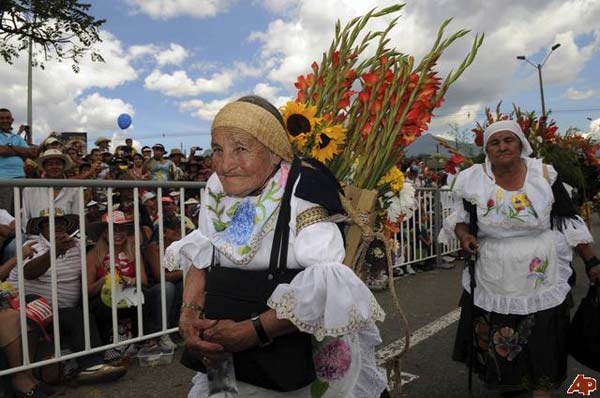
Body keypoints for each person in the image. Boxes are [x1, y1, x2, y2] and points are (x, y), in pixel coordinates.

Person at [166, 96, 387, 397]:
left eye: (241, 149)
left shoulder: (304, 191)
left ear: (274, 152)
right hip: (223, 359)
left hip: (289, 365)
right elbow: (203, 254)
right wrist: (189, 314)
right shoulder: (216, 191)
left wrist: (253, 331)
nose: (226, 165)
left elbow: (326, 284)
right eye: (218, 149)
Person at [438, 120, 600, 398]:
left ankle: (541, 389)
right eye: (495, 142)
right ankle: (511, 387)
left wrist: (591, 262)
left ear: (521, 143)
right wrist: (465, 236)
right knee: (504, 345)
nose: (502, 147)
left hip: (542, 271)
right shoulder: (472, 179)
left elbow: (567, 221)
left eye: (508, 140)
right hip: (495, 272)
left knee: (544, 341)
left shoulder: (544, 175)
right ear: (487, 149)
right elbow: (460, 220)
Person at [7, 209, 127, 384]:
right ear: (41, 228)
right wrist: (54, 251)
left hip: (62, 310)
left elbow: (99, 252)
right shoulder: (33, 246)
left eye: (61, 223)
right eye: (51, 224)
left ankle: (113, 351)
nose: (58, 227)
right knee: (76, 316)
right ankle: (90, 366)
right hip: (30, 309)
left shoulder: (77, 245)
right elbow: (29, 272)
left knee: (95, 305)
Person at [22, 150, 80, 231]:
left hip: (67, 237)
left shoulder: (74, 189)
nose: (54, 167)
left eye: (58, 164)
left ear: (63, 166)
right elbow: (25, 219)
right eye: (50, 164)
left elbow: (77, 217)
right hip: (37, 238)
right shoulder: (30, 190)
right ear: (44, 167)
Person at [0, 108, 38, 215]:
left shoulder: (17, 137)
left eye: (7, 118)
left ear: (12, 120)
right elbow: (2, 150)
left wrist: (10, 147)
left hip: (21, 179)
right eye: (1, 118)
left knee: (21, 214)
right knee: (4, 216)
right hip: (2, 181)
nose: (5, 120)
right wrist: (21, 151)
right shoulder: (19, 140)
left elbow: (32, 153)